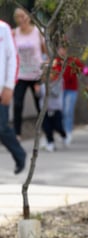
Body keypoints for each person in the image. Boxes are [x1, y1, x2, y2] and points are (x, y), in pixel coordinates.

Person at [12, 8, 46, 140]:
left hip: (36, 74)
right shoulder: (14, 33)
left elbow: (45, 52)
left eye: (23, 17)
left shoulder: (38, 33)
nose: (21, 20)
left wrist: (47, 66)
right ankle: (17, 133)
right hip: (21, 74)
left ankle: (44, 133)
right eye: (18, 18)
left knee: (40, 105)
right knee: (18, 103)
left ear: (29, 18)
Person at [0, 20, 27, 174]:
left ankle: (19, 154)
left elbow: (13, 58)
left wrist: (9, 86)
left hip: (2, 90)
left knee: (2, 128)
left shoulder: (3, 28)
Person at [56, 44, 84, 146]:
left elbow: (83, 69)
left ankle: (68, 132)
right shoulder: (56, 62)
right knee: (61, 111)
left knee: (68, 110)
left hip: (71, 89)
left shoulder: (73, 61)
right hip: (59, 91)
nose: (61, 51)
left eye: (63, 49)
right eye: (59, 49)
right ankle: (62, 132)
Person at [39, 63, 67, 152]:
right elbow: (39, 95)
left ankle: (63, 135)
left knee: (58, 126)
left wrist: (48, 87)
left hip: (56, 108)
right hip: (45, 109)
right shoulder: (42, 83)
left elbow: (56, 93)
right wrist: (37, 91)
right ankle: (50, 142)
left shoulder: (58, 81)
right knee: (47, 127)